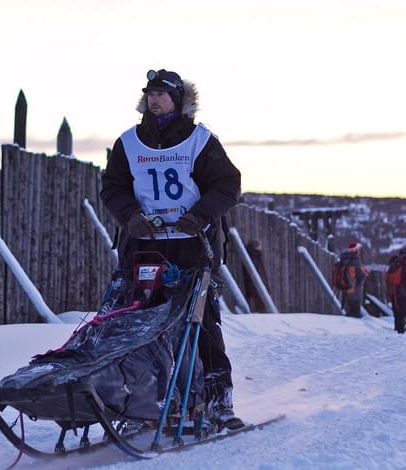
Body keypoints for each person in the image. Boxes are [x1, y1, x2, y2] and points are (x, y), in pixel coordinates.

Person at [100, 69, 242, 430]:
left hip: (193, 245)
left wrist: (200, 216)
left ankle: (216, 401)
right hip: (143, 246)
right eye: (150, 93)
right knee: (138, 322)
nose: (155, 98)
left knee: (202, 321)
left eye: (162, 93)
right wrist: (130, 216)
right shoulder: (129, 143)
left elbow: (227, 184)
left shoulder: (199, 141)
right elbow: (113, 187)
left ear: (178, 100)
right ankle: (143, 403)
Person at [337, 242, 368, 317]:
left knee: (349, 311)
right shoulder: (355, 261)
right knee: (355, 313)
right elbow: (361, 275)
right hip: (355, 289)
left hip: (346, 288)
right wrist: (366, 273)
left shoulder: (344, 259)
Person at [387, 249, 406, 334]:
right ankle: (402, 331)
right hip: (404, 292)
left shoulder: (394, 264)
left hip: (394, 291)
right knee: (404, 312)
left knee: (397, 311)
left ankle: (397, 328)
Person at [242, 239, 269, 312]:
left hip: (255, 282)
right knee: (260, 303)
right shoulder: (254, 257)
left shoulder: (255, 256)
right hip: (255, 283)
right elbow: (257, 272)